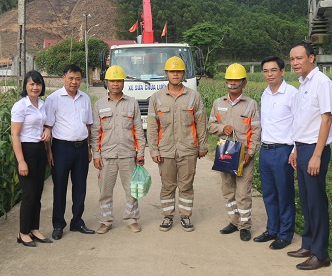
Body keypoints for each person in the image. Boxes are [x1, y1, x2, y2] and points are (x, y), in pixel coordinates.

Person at [287, 42, 332, 271]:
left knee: (317, 202)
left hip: (315, 150)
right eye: (292, 59)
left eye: (299, 58)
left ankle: (320, 254)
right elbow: (303, 122)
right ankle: (307, 244)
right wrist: (296, 149)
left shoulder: (322, 83)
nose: (295, 62)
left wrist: (316, 155)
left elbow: (326, 120)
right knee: (307, 201)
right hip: (303, 148)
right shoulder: (303, 85)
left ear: (311, 58)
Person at [147, 56, 208, 232]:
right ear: (166, 73)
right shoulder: (156, 98)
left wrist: (202, 146)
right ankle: (167, 217)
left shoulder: (194, 96)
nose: (175, 74)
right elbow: (152, 127)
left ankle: (185, 216)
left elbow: (201, 123)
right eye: (172, 71)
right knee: (167, 186)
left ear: (183, 74)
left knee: (186, 185)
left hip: (188, 149)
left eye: (179, 71)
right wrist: (153, 149)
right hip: (165, 150)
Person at [207, 63, 261, 242]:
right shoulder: (218, 103)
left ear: (244, 83)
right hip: (225, 153)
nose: (232, 83)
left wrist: (250, 153)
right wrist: (223, 127)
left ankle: (245, 226)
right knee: (228, 190)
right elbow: (211, 126)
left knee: (243, 193)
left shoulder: (251, 105)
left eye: (236, 81)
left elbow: (256, 131)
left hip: (243, 155)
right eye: (229, 80)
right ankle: (233, 221)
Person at [90, 65, 146, 234]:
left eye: (119, 81)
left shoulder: (132, 103)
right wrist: (96, 155)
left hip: (128, 155)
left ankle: (131, 219)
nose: (115, 84)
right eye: (112, 81)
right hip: (106, 156)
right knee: (105, 191)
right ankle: (105, 221)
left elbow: (138, 129)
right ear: (107, 83)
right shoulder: (99, 105)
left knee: (132, 190)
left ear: (123, 83)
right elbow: (95, 133)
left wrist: (141, 152)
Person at [43, 64, 95, 240]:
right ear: (63, 78)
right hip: (61, 149)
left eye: (78, 78)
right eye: (71, 78)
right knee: (60, 188)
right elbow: (48, 127)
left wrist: (88, 148)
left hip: (81, 149)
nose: (74, 82)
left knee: (80, 187)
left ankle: (77, 221)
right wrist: (50, 153)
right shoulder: (53, 99)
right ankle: (58, 224)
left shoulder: (85, 98)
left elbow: (88, 125)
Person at [253, 56, 298, 250]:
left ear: (282, 71)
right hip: (266, 150)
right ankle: (272, 229)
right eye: (265, 71)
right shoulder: (265, 93)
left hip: (283, 151)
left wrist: (295, 150)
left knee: (284, 193)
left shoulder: (292, 94)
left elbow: (299, 123)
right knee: (269, 193)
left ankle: (285, 234)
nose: (269, 74)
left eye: (273, 70)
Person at [11, 70, 53, 247]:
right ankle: (23, 232)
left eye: (38, 84)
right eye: (31, 84)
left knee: (37, 193)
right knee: (28, 194)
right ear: (25, 86)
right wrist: (21, 161)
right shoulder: (20, 106)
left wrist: (47, 133)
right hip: (26, 151)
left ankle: (34, 228)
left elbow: (45, 127)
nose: (35, 87)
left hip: (39, 150)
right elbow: (15, 135)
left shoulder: (42, 105)